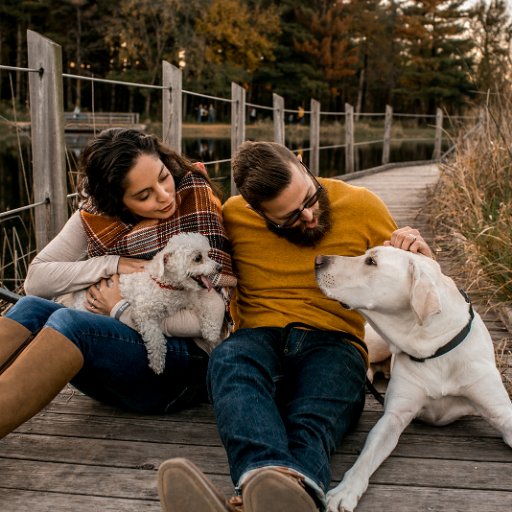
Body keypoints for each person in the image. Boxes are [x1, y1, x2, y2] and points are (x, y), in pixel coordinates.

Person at [157, 141, 432, 512]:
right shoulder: (232, 216)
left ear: (302, 164)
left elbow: (415, 281)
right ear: (256, 211)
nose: (308, 217)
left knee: (313, 416)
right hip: (258, 339)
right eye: (288, 218)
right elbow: (167, 222)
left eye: (309, 198)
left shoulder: (364, 205)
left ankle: (263, 489)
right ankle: (274, 484)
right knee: (230, 361)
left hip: (335, 342)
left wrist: (420, 250)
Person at [0, 128, 236, 440]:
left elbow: (212, 318)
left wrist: (120, 308)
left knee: (70, 321)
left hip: (181, 373)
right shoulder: (98, 215)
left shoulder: (195, 202)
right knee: (32, 307)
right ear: (117, 200)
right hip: (120, 362)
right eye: (143, 195)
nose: (165, 196)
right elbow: (36, 280)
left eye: (163, 178)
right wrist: (112, 263)